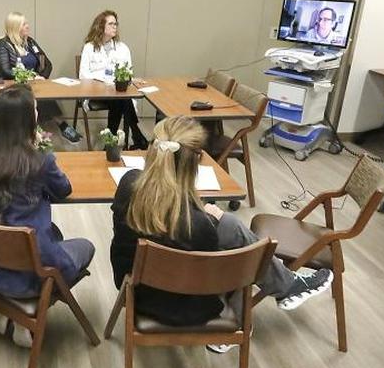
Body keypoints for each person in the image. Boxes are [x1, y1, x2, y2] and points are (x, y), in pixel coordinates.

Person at [110, 117, 333, 352]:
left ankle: (286, 284)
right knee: (239, 254)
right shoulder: (198, 227)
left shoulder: (128, 183)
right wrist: (208, 217)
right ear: (194, 163)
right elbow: (208, 276)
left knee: (229, 227)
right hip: (183, 308)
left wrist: (203, 213)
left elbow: (165, 216)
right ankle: (237, 325)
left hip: (131, 287)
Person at [0, 84, 94, 347]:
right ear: (27, 120)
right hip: (26, 274)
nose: (38, 112)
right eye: (35, 109)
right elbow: (63, 189)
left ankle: (6, 315)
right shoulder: (39, 159)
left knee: (52, 232)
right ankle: (19, 317)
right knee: (85, 246)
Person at [0, 12, 83, 144]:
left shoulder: (30, 42)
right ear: (15, 26)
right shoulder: (3, 44)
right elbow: (4, 70)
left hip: (35, 84)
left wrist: (42, 78)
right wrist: (30, 77)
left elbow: (48, 64)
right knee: (33, 97)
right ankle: (56, 128)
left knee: (42, 94)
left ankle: (51, 130)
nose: (27, 26)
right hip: (14, 86)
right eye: (24, 24)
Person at [78, 10, 148, 149]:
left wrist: (126, 79)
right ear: (100, 26)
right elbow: (83, 75)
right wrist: (104, 79)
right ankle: (137, 135)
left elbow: (128, 73)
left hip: (116, 92)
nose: (115, 26)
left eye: (116, 24)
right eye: (111, 24)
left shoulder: (122, 48)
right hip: (96, 92)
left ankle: (111, 141)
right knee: (122, 100)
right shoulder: (89, 48)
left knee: (120, 100)